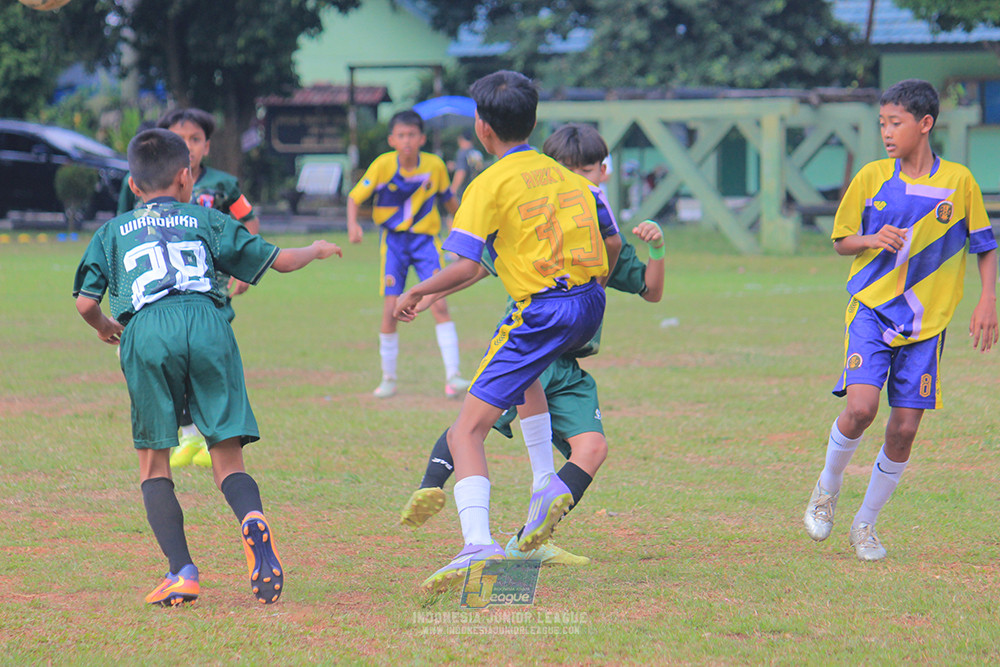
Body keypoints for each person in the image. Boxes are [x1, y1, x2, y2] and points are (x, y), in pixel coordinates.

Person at [73, 128, 341, 605]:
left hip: (148, 327)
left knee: (154, 461)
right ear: (186, 176)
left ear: (133, 187)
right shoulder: (206, 217)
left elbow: (84, 303)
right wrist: (316, 250)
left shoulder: (110, 232)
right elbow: (275, 260)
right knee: (226, 453)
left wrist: (103, 327)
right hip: (208, 321)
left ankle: (182, 572)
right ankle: (251, 519)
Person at [393, 71, 620, 593]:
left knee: (466, 431)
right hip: (589, 303)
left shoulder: (489, 183)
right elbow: (601, 249)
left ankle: (477, 546)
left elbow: (467, 262)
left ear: (482, 127)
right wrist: (434, 294)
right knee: (529, 381)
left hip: (542, 309)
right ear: (534, 121)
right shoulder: (565, 176)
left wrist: (416, 290)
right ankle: (545, 486)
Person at [802, 79, 998, 562]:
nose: (887, 132)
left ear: (925, 124)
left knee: (905, 429)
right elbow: (841, 240)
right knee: (862, 408)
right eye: (882, 123)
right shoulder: (872, 177)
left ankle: (865, 524)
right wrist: (871, 240)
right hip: (871, 310)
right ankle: (826, 489)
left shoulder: (960, 182)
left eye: (896, 122)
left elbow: (985, 246)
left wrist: (987, 300)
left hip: (927, 327)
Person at [118, 108, 264, 469]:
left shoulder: (223, 185)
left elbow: (248, 220)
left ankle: (208, 435)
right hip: (156, 292)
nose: (188, 146)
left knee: (202, 359)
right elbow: (121, 230)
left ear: (207, 146)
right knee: (171, 361)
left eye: (195, 139)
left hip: (209, 293)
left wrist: (244, 271)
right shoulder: (136, 183)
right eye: (180, 139)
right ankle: (188, 432)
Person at [346, 110, 470, 400]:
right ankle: (388, 378)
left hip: (426, 243)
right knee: (391, 309)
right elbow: (354, 197)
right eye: (401, 135)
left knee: (439, 304)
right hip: (395, 244)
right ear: (392, 139)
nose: (407, 141)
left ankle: (453, 376)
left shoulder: (435, 166)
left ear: (422, 138)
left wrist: (469, 225)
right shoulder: (382, 166)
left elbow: (449, 201)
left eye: (412, 135)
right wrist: (353, 225)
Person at [450, 129, 484, 202]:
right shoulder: (477, 153)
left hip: (464, 193)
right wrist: (455, 165)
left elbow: (461, 172)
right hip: (477, 192)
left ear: (461, 139)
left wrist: (452, 191)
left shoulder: (462, 152)